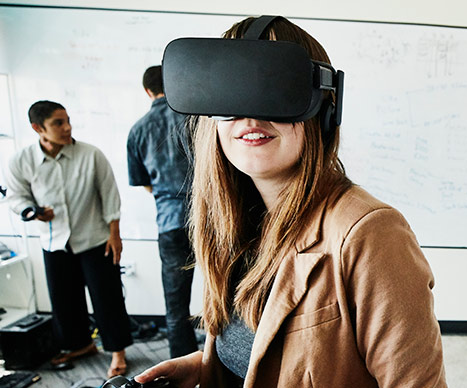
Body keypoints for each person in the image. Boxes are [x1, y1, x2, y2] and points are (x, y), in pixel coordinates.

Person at [135, 16, 447, 387]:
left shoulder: (371, 234)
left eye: (273, 89)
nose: (250, 115)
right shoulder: (237, 223)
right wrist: (207, 368)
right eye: (231, 91)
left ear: (324, 111)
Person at [4, 100, 133, 377]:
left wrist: (115, 235)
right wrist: (32, 212)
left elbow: (110, 195)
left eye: (67, 121)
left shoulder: (91, 155)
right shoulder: (21, 161)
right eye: (58, 123)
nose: (67, 127)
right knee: (64, 301)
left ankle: (118, 352)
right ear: (38, 128)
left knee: (107, 299)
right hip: (54, 242)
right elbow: (16, 197)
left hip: (96, 239)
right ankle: (81, 345)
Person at [127, 65, 198, 358]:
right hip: (209, 217)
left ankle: (182, 364)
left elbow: (143, 184)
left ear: (147, 91)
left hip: (170, 222)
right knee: (228, 291)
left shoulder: (138, 129)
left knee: (175, 301)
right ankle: (230, 361)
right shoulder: (196, 119)